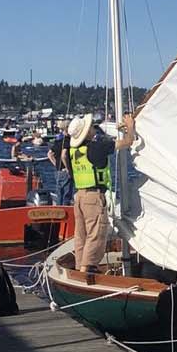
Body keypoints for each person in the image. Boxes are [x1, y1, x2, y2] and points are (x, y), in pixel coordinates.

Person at [67, 113, 135, 273]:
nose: (92, 128)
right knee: (96, 232)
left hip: (79, 196)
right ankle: (87, 269)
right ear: (86, 132)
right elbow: (128, 142)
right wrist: (130, 126)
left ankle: (79, 268)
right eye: (90, 127)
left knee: (81, 235)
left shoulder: (74, 150)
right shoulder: (96, 147)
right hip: (93, 196)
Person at [48, 129, 75, 205]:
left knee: (59, 194)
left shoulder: (58, 142)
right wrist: (68, 168)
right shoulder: (67, 141)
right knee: (67, 195)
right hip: (65, 171)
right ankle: (65, 212)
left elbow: (49, 154)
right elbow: (64, 155)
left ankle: (58, 211)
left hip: (58, 171)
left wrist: (56, 164)